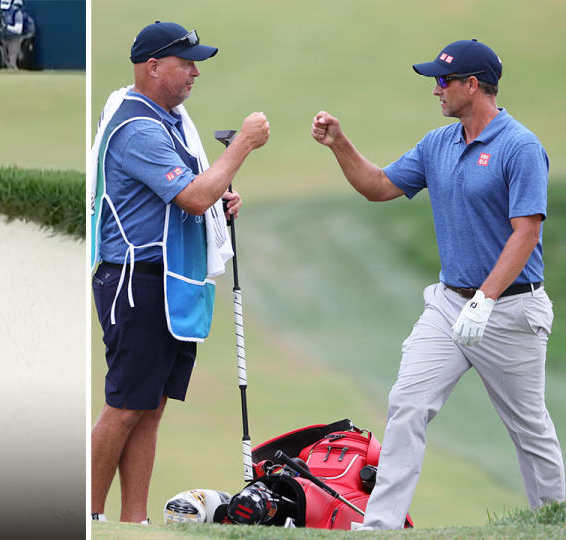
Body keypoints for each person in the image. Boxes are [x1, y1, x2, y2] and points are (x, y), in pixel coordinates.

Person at [310, 39, 565, 529]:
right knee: (407, 403)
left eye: (444, 81)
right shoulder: (438, 144)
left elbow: (527, 230)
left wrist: (486, 300)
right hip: (449, 305)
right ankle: (381, 526)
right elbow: (378, 186)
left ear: (474, 85)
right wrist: (340, 143)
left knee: (529, 428)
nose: (436, 90)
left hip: (511, 311)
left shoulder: (521, 146)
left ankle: (553, 524)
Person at [89, 21, 269, 523]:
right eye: (185, 63)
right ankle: (89, 518)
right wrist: (242, 147)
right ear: (152, 67)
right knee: (125, 405)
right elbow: (191, 195)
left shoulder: (166, 118)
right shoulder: (140, 127)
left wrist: (220, 196)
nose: (194, 72)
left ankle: (133, 521)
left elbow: (196, 190)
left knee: (150, 406)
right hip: (136, 278)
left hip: (165, 278)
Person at [0, 0, 31, 70]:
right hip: (4, 37)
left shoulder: (17, 13)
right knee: (4, 61)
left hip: (14, 38)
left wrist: (7, 27)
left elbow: (18, 30)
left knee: (12, 62)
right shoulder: (3, 12)